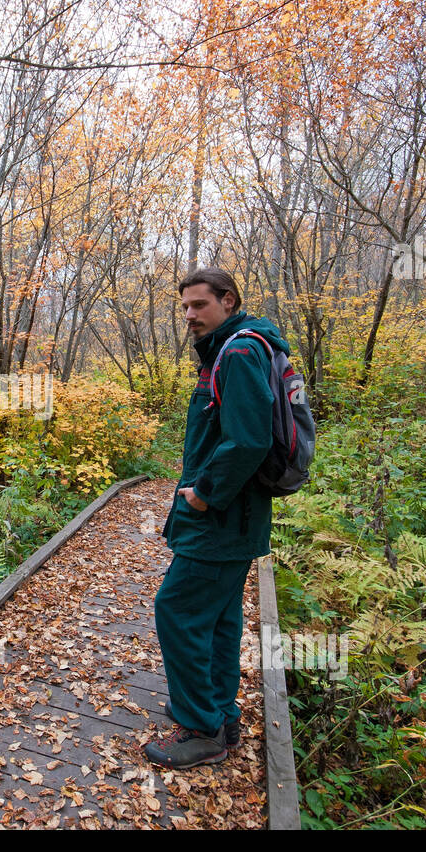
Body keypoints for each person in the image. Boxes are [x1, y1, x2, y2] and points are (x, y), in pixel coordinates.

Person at [145, 267, 290, 769]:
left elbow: (248, 439)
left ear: (228, 301)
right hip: (236, 520)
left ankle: (202, 728)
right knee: (221, 620)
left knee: (178, 610)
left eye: (199, 305)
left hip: (222, 519)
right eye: (184, 307)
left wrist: (205, 494)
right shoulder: (233, 350)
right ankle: (220, 715)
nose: (189, 316)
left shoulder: (241, 352)